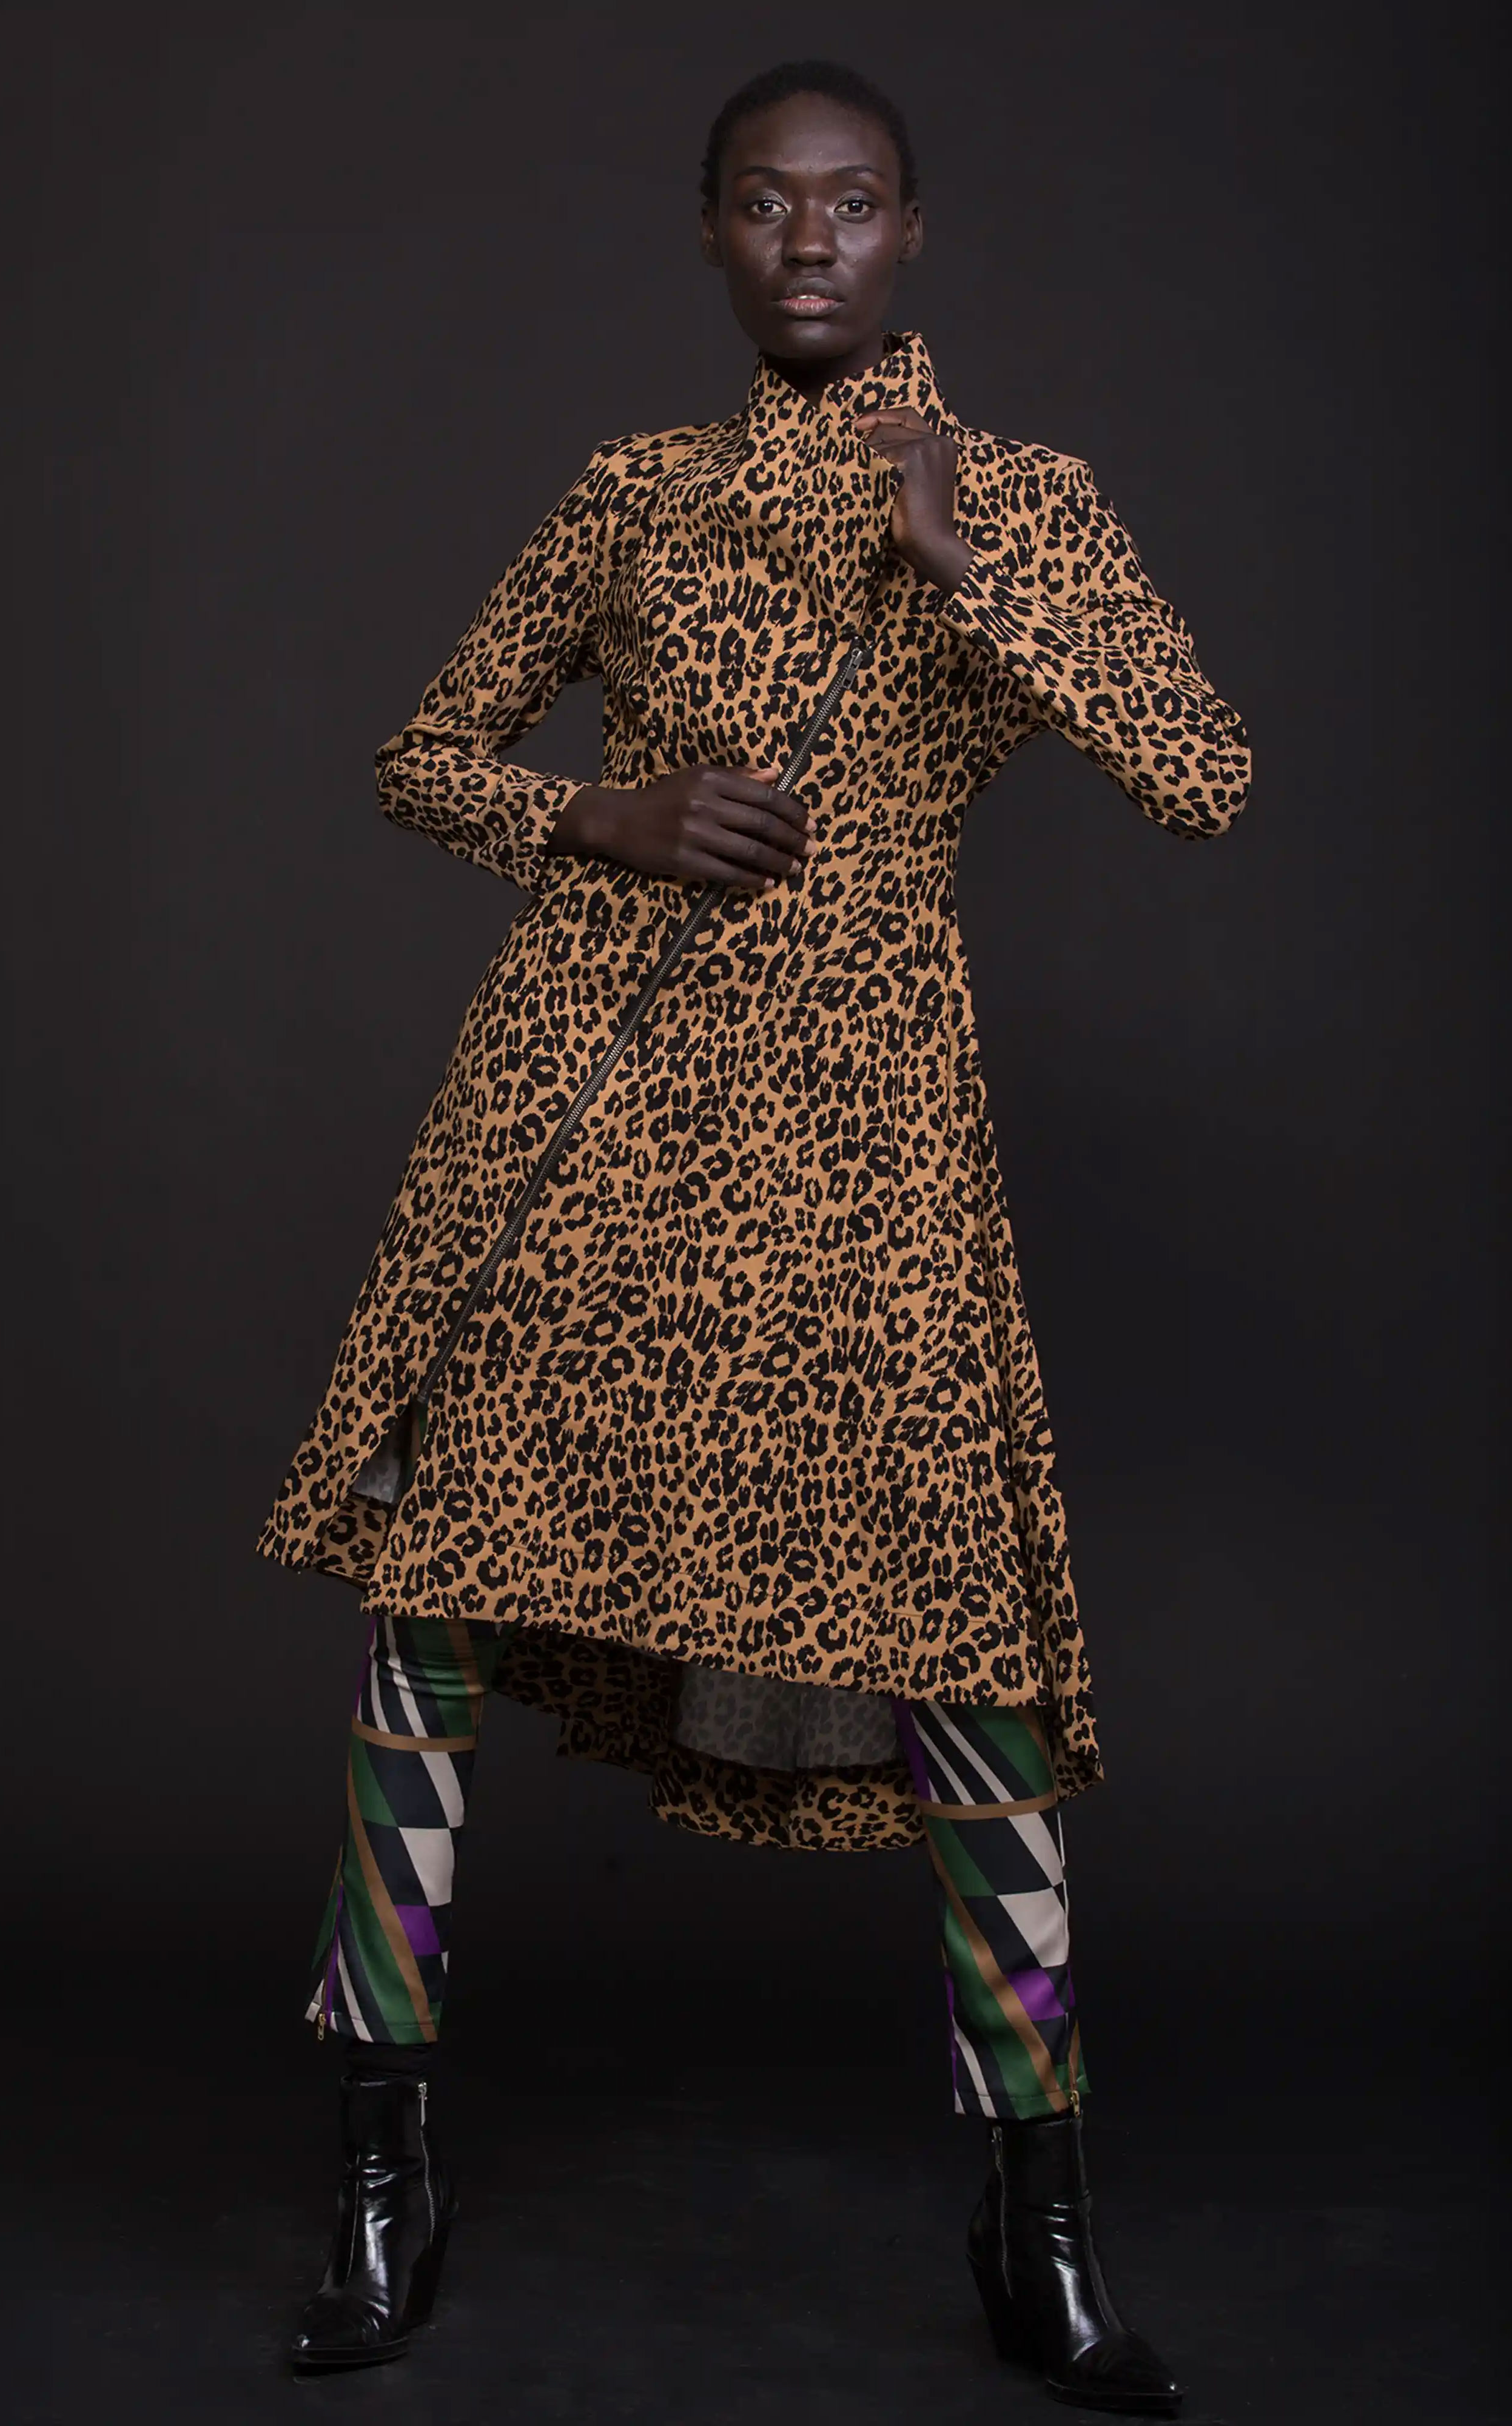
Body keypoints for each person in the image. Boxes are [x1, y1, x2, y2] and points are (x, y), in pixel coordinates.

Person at [259, 57, 1248, 2414]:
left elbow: (1201, 771)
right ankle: (379, 2174)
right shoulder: (631, 489)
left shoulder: (1015, 496)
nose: (810, 240)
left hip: (861, 1136)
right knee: (427, 1628)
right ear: (708, 233)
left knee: (964, 1667)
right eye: (764, 202)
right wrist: (596, 813)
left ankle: (1039, 2219)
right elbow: (421, 753)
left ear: (913, 233)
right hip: (582, 1113)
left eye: (854, 201)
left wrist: (965, 569)